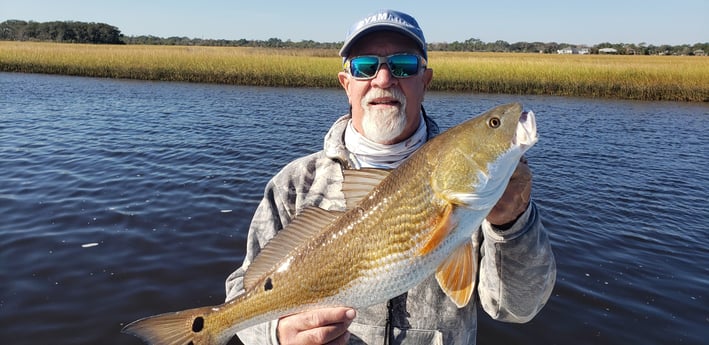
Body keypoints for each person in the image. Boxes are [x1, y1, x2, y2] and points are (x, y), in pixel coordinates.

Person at [225, 9, 556, 345]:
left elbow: (517, 309)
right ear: (347, 84)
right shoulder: (295, 185)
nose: (383, 79)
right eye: (365, 67)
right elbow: (240, 293)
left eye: (404, 66)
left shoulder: (494, 191)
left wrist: (512, 225)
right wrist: (275, 334)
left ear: (425, 81)